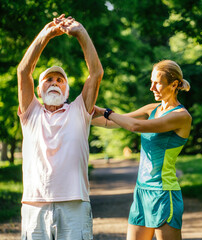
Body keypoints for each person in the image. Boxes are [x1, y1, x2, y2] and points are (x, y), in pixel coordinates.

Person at [17, 14, 103, 240]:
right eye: (49, 79)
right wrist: (45, 35)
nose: (54, 83)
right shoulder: (31, 112)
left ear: (66, 91)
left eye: (60, 80)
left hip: (75, 204)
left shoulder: (79, 110)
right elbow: (24, 72)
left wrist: (81, 33)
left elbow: (96, 73)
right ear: (39, 90)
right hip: (34, 205)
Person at [92, 60, 192, 240]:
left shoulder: (181, 116)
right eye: (151, 81)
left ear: (174, 84)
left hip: (163, 193)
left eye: (157, 83)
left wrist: (106, 111)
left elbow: (135, 126)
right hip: (141, 191)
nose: (151, 87)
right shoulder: (151, 109)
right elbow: (110, 122)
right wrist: (73, 113)